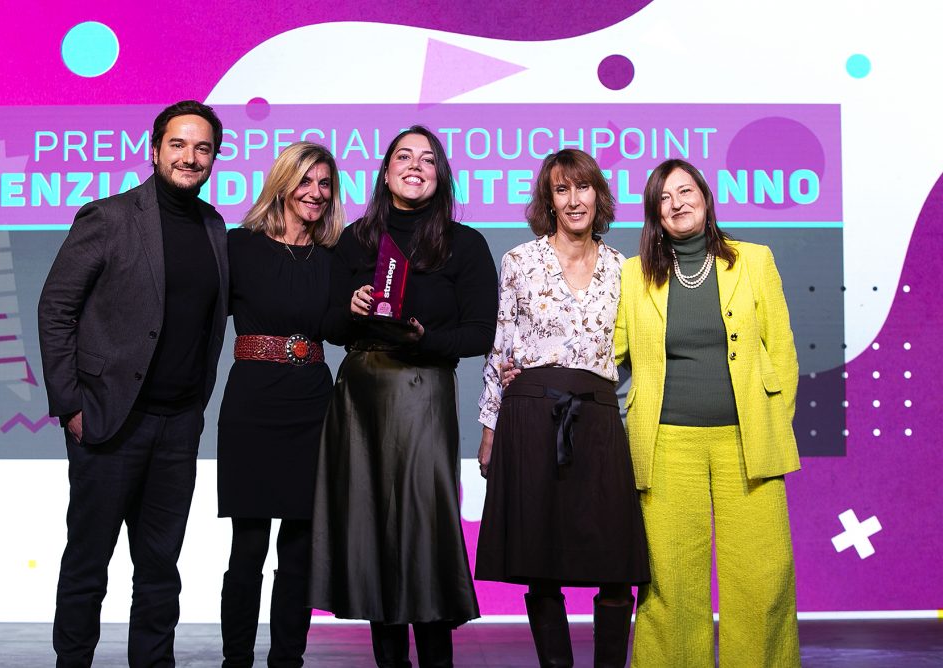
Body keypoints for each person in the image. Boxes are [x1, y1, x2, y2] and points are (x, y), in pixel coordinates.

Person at [38, 100, 229, 667]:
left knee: (160, 569)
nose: (190, 157)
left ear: (214, 158)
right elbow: (56, 308)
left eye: (202, 148)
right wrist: (70, 405)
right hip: (109, 420)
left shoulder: (214, 226)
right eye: (178, 144)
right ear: (154, 150)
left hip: (178, 426)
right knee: (88, 563)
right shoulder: (109, 217)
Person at [309, 126, 498, 668]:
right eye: (404, 156)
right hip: (360, 396)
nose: (415, 166)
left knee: (424, 529)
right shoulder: (352, 240)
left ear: (440, 176)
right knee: (371, 531)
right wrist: (351, 309)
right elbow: (327, 326)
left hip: (423, 390)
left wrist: (425, 338)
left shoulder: (465, 244)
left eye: (428, 159)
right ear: (386, 171)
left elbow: (481, 333)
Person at [615, 159, 801, 667]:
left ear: (704, 195)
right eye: (664, 197)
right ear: (654, 214)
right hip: (667, 445)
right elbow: (609, 354)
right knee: (671, 584)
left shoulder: (755, 260)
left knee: (762, 577)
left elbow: (782, 352)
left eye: (685, 191)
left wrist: (770, 425)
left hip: (748, 442)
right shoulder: (633, 275)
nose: (677, 203)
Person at [475, 149, 650, 668]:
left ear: (599, 195)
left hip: (598, 417)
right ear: (548, 201)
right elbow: (500, 348)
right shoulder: (519, 261)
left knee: (616, 564)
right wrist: (489, 430)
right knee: (541, 562)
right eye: (561, 189)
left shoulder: (626, 269)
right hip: (530, 416)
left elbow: (640, 346)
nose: (574, 200)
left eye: (583, 187)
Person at [216, 141, 344, 668]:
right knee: (247, 547)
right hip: (251, 404)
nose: (316, 193)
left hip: (312, 403)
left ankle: (287, 660)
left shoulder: (334, 256)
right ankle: (236, 661)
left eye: (325, 184)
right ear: (283, 184)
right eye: (306, 181)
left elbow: (338, 329)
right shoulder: (239, 246)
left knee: (300, 549)